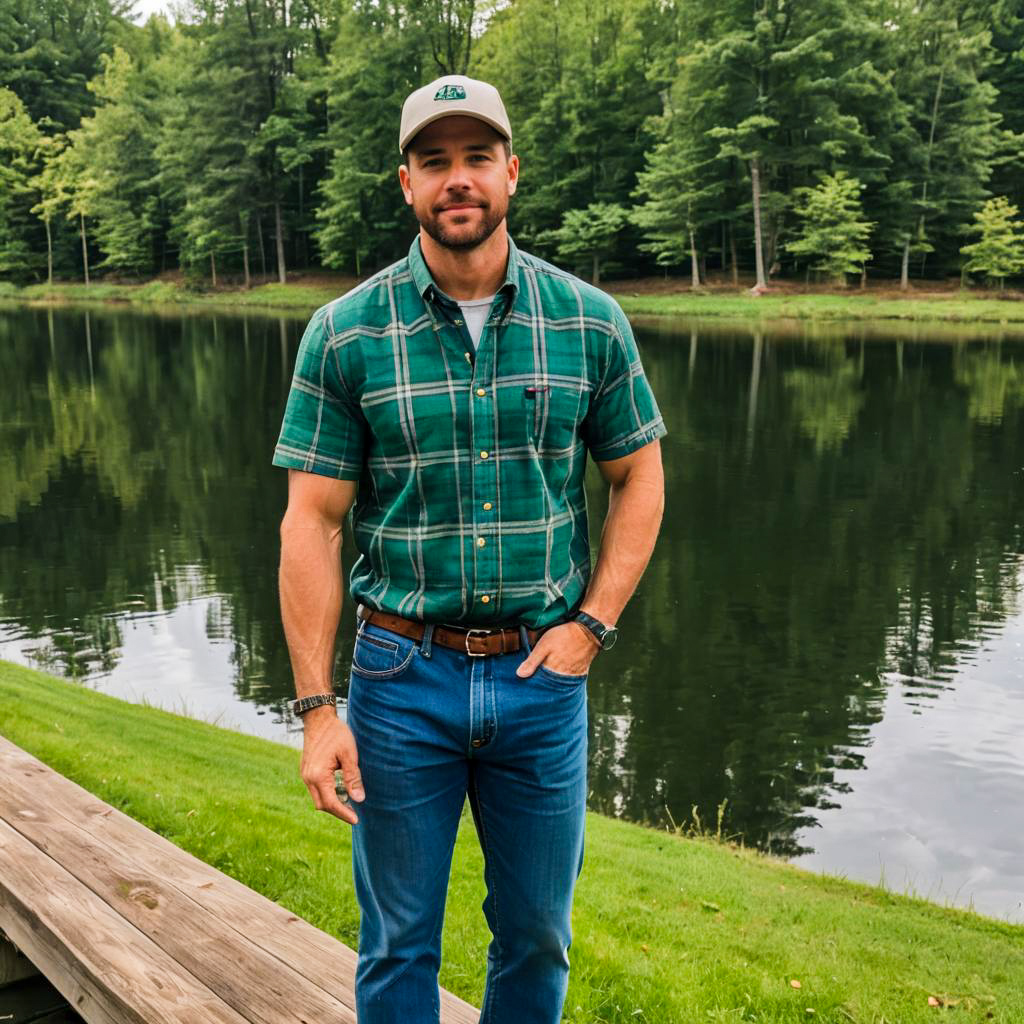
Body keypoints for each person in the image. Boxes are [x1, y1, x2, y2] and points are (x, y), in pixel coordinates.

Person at [273, 73, 666, 1024]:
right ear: (404, 182)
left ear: (511, 173)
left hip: (542, 681)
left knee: (537, 934)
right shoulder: (346, 332)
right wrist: (321, 709)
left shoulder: (588, 320)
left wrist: (592, 626)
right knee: (398, 939)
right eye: (435, 161)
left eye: (477, 158)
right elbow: (313, 522)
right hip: (399, 678)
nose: (459, 180)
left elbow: (639, 479)